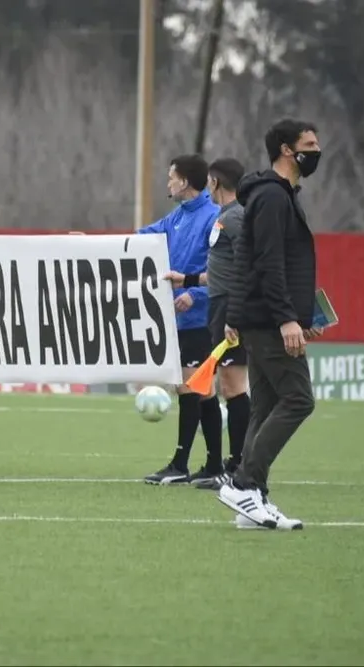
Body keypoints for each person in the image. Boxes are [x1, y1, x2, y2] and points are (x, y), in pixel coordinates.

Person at [218, 119, 324, 530]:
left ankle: (253, 497)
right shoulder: (273, 197)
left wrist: (303, 314)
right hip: (267, 320)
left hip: (263, 317)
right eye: (309, 144)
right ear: (286, 149)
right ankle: (244, 483)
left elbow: (268, 262)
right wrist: (286, 319)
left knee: (264, 405)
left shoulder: (277, 196)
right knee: (298, 400)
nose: (316, 151)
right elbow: (267, 262)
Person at [163, 157, 251, 490]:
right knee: (218, 388)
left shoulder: (232, 218)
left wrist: (233, 315)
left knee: (232, 388)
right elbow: (220, 273)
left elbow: (246, 270)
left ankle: (239, 468)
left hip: (228, 314)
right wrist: (186, 280)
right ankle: (223, 465)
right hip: (220, 313)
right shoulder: (222, 218)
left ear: (214, 182)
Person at [140, 154, 223, 486]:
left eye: (171, 177)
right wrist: (91, 245)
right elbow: (140, 238)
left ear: (185, 182)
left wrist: (196, 295)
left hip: (202, 318)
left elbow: (225, 269)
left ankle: (181, 464)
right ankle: (213, 466)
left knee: (191, 387)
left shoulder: (214, 218)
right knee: (200, 391)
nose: (168, 183)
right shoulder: (175, 218)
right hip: (180, 321)